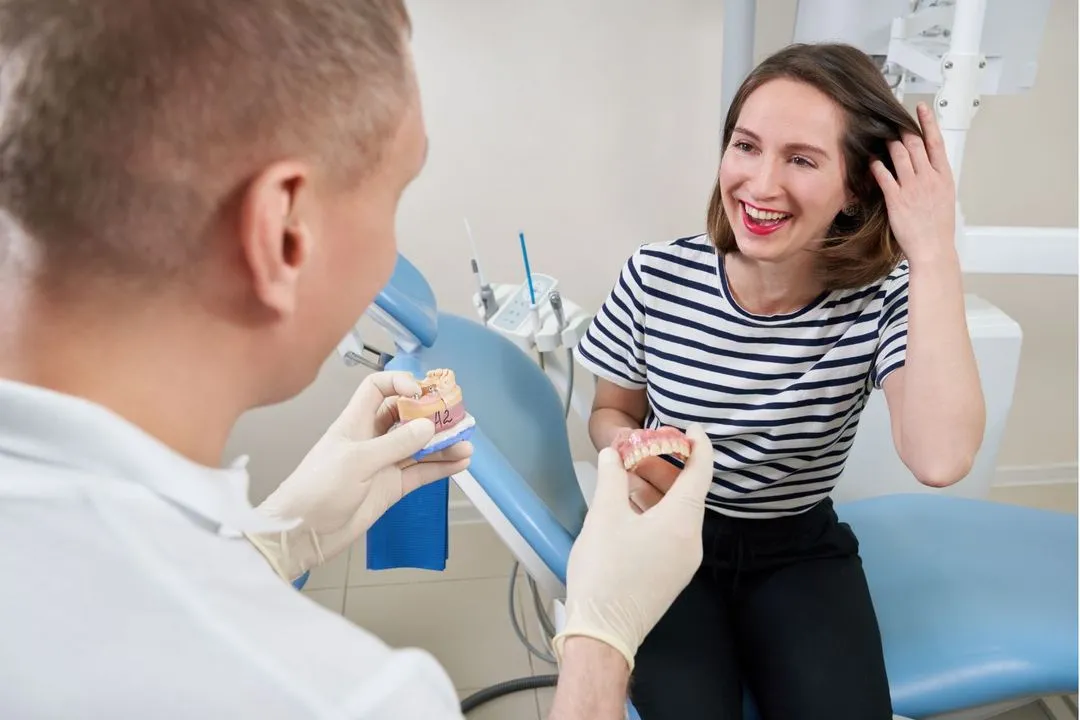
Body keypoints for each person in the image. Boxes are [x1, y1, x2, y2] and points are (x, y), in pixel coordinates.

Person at [0, 2, 717, 718]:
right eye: (393, 199)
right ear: (284, 233)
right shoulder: (345, 697)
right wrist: (602, 642)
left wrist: (275, 540)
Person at [573, 42, 986, 719]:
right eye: (745, 145)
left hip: (798, 549)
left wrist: (933, 249)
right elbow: (609, 410)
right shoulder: (654, 276)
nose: (760, 185)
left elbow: (941, 458)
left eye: (800, 159)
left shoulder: (879, 303)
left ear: (857, 185)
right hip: (666, 541)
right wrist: (629, 449)